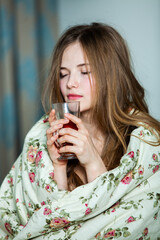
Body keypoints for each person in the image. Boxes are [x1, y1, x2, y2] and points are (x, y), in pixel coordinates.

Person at [0, 22, 160, 240]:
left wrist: (93, 162)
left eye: (85, 72)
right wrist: (58, 165)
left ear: (111, 75)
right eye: (63, 74)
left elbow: (113, 223)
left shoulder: (145, 140)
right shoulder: (43, 133)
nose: (70, 84)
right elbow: (46, 221)